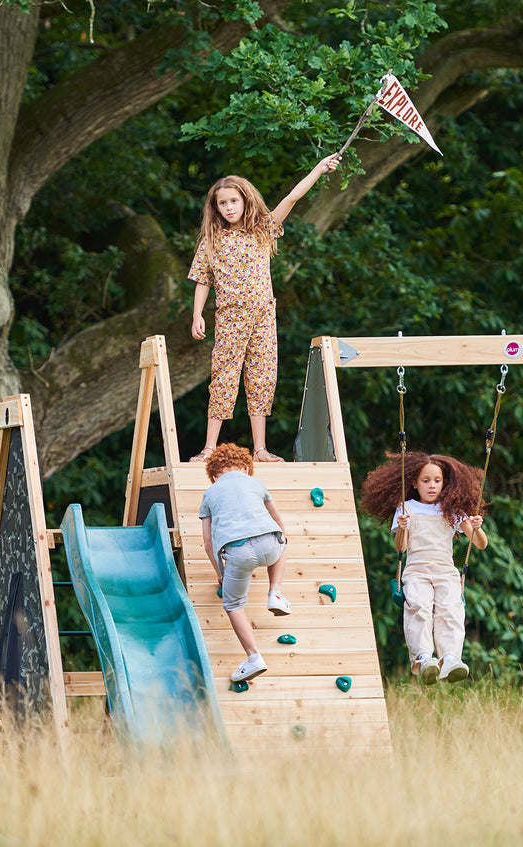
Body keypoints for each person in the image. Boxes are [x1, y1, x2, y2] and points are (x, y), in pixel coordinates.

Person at [188, 152, 343, 463]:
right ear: (215, 208)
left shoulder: (262, 229)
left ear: (245, 201)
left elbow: (292, 198)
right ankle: (209, 448)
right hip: (230, 316)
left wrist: (319, 168)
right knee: (223, 377)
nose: (228, 207)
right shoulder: (212, 240)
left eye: (233, 201)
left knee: (262, 376)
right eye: (222, 203)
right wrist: (197, 315)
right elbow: (203, 279)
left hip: (262, 315)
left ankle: (260, 449)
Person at [361, 451, 489, 684]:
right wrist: (401, 528)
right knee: (418, 607)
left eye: (437, 481)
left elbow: (480, 544)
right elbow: (401, 547)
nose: (432, 486)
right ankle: (422, 657)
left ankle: (450, 659)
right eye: (426, 481)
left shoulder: (453, 509)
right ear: (414, 483)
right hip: (417, 570)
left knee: (450, 609)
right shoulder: (406, 508)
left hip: (446, 570)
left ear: (444, 483)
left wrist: (477, 527)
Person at [199, 443, 293, 683]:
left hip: (237, 552)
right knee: (281, 539)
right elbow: (279, 521)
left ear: (214, 475)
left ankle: (253, 658)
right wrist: (281, 539)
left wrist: (220, 572)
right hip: (269, 546)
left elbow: (208, 544)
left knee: (233, 605)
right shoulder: (255, 482)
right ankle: (275, 593)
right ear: (244, 467)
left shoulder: (210, 493)